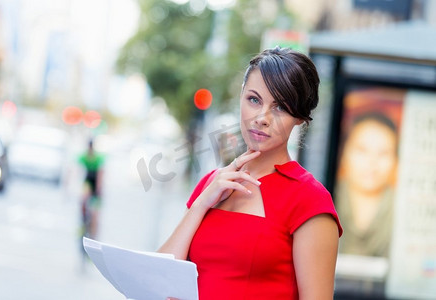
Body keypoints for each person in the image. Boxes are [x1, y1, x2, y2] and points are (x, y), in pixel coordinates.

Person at [159, 47, 343, 300]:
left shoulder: (309, 200)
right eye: (254, 100)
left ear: (300, 118)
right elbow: (159, 280)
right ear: (241, 98)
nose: (262, 118)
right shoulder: (212, 184)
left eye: (281, 107)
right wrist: (202, 202)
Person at [335, 112, 398, 257]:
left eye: (383, 153)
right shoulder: (324, 198)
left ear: (396, 160)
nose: (372, 162)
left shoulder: (403, 208)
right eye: (362, 150)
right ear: (344, 153)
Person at [78, 138, 105, 240]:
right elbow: (76, 168)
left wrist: (98, 190)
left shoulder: (98, 158)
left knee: (95, 214)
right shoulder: (84, 156)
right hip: (88, 182)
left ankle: (94, 234)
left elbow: (101, 174)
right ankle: (83, 221)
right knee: (83, 199)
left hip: (96, 183)